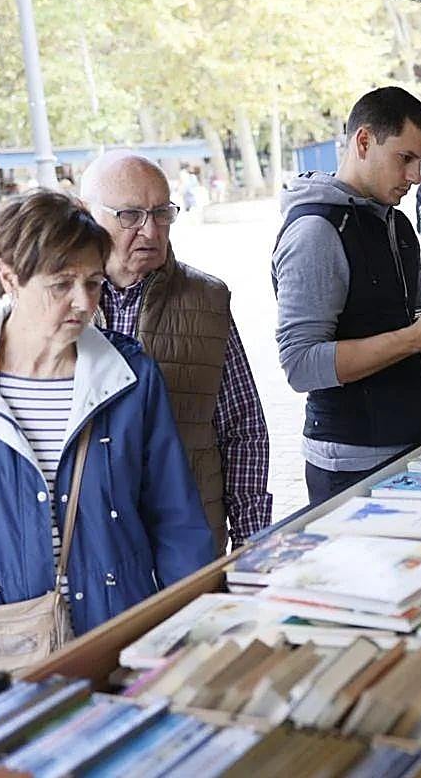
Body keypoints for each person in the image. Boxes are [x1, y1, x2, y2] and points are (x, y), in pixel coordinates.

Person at [0, 190, 214, 713]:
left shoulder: (129, 377)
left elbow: (175, 519)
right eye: (61, 285)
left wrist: (195, 637)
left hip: (115, 634)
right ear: (9, 275)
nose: (84, 302)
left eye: (93, 282)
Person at [273, 87, 421, 506]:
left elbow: (406, 329)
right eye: (405, 159)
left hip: (414, 443)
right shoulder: (316, 232)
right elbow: (301, 365)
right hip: (353, 464)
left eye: (420, 162)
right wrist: (417, 338)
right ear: (363, 141)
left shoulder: (396, 224)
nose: (416, 176)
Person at [81, 151, 271, 554]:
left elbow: (244, 429)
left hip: (188, 545)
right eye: (130, 216)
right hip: (92, 552)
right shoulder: (58, 303)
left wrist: (252, 543)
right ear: (86, 214)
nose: (151, 232)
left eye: (162, 213)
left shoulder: (207, 299)